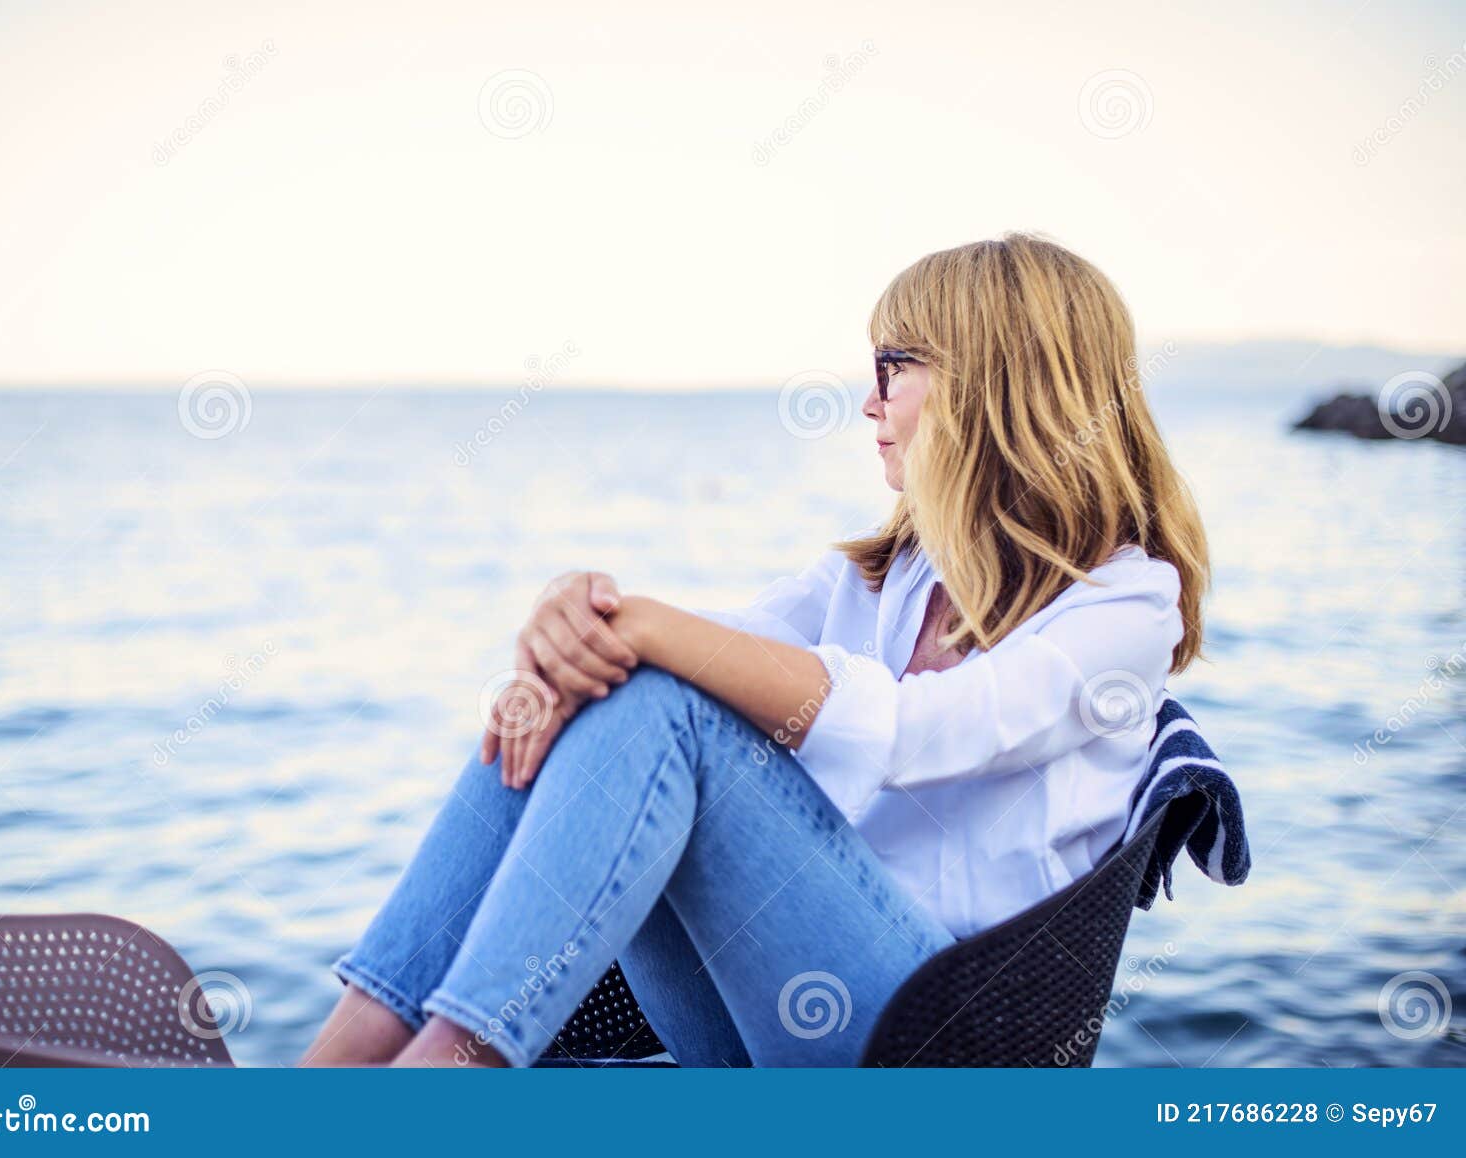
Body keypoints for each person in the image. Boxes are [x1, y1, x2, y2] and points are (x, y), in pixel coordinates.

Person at [301, 232, 1209, 1068]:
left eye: (894, 367)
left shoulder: (1124, 609)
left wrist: (644, 631)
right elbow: (710, 647)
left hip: (940, 1044)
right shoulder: (885, 576)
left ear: (993, 383)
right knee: (611, 689)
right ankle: (339, 1066)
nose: (869, 400)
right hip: (776, 1021)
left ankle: (433, 1084)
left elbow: (921, 731)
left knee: (656, 697)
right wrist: (570, 622)